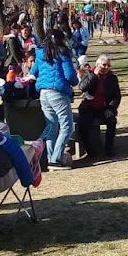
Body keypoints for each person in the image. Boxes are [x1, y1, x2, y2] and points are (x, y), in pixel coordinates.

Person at [30, 29, 79, 169]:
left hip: (43, 93)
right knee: (67, 127)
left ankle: (51, 158)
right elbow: (70, 76)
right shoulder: (62, 53)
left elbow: (34, 72)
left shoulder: (40, 53)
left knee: (51, 126)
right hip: (58, 92)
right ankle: (55, 159)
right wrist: (75, 82)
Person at [77, 55, 121, 158]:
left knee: (111, 120)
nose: (106, 67)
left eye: (108, 65)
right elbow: (82, 87)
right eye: (104, 65)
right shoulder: (89, 74)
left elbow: (117, 96)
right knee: (82, 124)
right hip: (89, 107)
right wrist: (93, 76)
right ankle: (90, 151)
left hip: (103, 107)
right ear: (97, 65)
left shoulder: (112, 78)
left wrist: (111, 108)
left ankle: (109, 149)